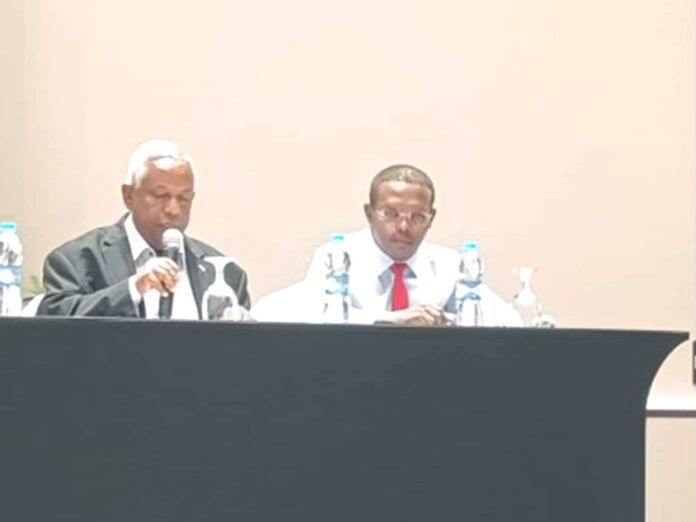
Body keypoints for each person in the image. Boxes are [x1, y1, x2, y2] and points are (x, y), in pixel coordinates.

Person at [252, 164, 518, 326]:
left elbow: (510, 322)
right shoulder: (338, 257)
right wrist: (385, 320)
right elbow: (304, 315)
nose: (403, 227)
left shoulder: (449, 265)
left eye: (417, 217)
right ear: (369, 214)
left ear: (431, 219)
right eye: (390, 214)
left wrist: (445, 321)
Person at [37, 139, 250, 318]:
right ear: (129, 196)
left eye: (184, 198)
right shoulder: (78, 260)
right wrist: (134, 288)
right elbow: (55, 320)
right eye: (160, 195)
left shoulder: (226, 274)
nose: (173, 209)